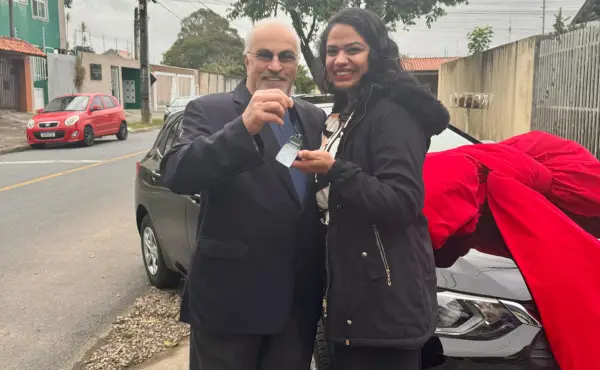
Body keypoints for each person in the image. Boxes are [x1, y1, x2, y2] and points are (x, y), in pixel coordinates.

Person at [159, 18, 328, 370]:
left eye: (286, 56)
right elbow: (177, 172)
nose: (276, 65)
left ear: (297, 64)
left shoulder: (309, 118)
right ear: (247, 60)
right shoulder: (210, 110)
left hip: (295, 309)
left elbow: (290, 181)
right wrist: (243, 128)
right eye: (264, 55)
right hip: (230, 305)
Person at [291, 8, 450, 370]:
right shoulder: (348, 112)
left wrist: (335, 170)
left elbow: (402, 202)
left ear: (374, 54)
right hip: (354, 303)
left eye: (353, 50)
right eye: (332, 51)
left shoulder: (391, 114)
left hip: (386, 308)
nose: (340, 60)